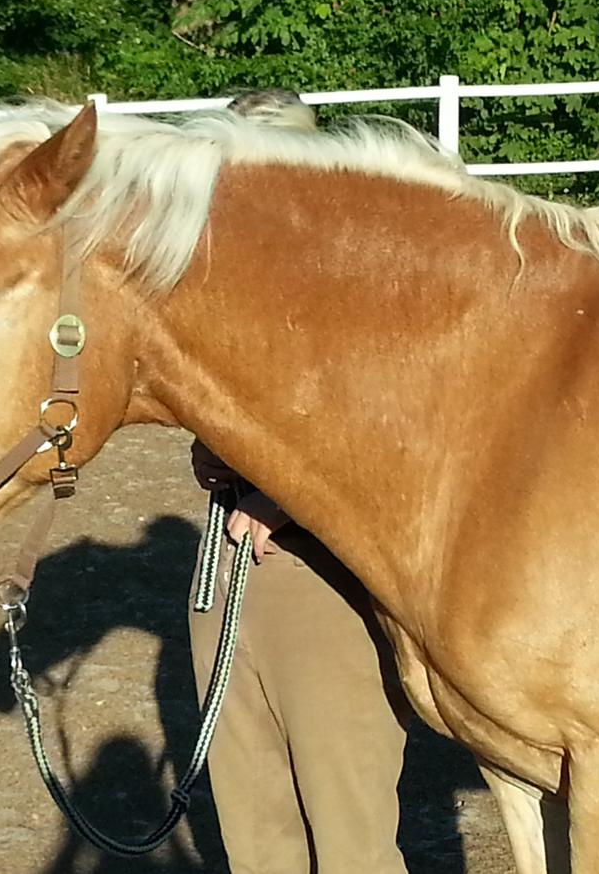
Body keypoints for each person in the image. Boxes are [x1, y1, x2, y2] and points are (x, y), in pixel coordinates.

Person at [188, 90, 409, 874]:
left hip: (325, 572)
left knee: (349, 831)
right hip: (226, 566)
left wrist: (279, 497)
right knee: (254, 829)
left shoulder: (357, 285)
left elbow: (386, 421)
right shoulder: (224, 286)